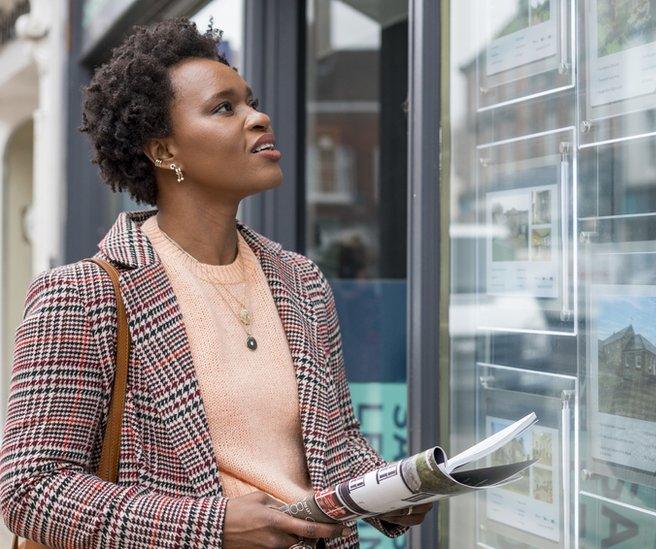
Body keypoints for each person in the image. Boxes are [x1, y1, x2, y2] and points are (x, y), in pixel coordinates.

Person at [0, 18, 429, 549]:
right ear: (164, 152)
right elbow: (30, 491)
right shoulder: (81, 295)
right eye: (225, 108)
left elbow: (331, 444)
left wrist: (396, 489)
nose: (259, 117)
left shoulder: (302, 282)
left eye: (249, 101)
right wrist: (211, 527)